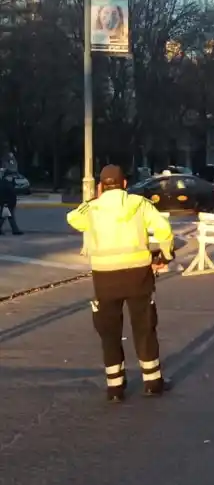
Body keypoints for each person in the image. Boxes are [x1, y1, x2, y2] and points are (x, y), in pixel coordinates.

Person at [67, 165, 174, 402]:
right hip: (138, 275)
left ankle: (115, 387)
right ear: (125, 183)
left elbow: (73, 218)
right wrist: (165, 255)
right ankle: (152, 382)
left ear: (102, 186)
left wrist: (94, 199)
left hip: (105, 278)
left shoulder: (93, 209)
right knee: (144, 328)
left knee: (109, 332)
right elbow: (164, 229)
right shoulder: (139, 204)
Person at [0, 170, 22, 235]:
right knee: (4, 217)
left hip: (9, 203)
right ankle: (15, 230)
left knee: (8, 217)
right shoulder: (4, 184)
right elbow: (3, 194)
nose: (12, 177)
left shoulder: (8, 183)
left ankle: (15, 230)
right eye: (11, 176)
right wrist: (5, 203)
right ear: (7, 176)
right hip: (7, 203)